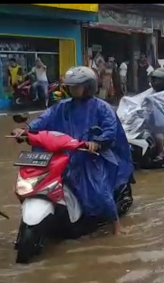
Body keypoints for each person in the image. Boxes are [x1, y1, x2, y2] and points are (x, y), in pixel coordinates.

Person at [11, 66, 133, 236]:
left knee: (99, 188)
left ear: (89, 86)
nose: (73, 89)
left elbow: (110, 130)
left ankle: (116, 225)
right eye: (71, 86)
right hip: (64, 153)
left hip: (89, 156)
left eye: (77, 86)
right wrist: (26, 129)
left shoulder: (102, 107)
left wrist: (96, 143)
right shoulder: (62, 106)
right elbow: (43, 119)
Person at [146, 68, 164, 160]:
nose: (152, 82)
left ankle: (161, 153)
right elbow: (140, 102)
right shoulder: (150, 92)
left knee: (158, 134)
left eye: (155, 79)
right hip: (150, 120)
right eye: (152, 79)